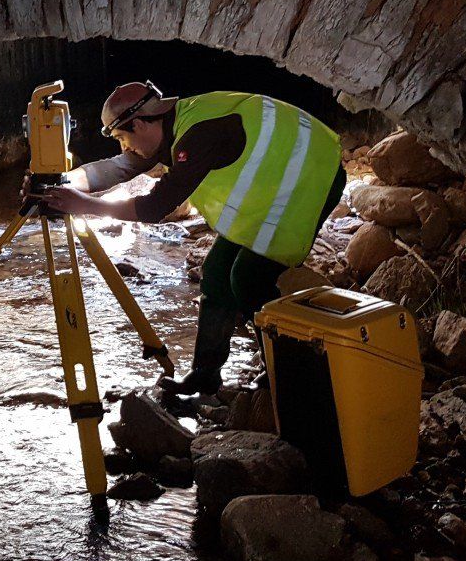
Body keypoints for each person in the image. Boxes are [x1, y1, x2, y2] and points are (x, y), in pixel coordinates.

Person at [39, 81, 345, 397]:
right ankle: (205, 376)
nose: (124, 147)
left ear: (139, 124)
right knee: (216, 272)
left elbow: (155, 206)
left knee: (248, 277)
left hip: (312, 176)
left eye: (121, 138)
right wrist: (60, 183)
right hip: (280, 180)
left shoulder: (198, 136)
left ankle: (290, 374)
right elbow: (122, 167)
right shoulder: (172, 125)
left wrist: (84, 205)